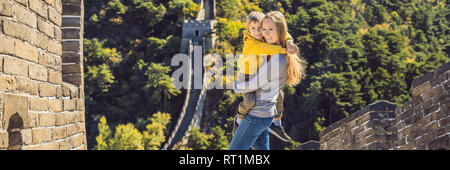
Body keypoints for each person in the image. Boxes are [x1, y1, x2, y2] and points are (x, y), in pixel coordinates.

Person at [229, 11, 307, 150]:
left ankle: (239, 119)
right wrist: (289, 43)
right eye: (263, 29)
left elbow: (255, 84)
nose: (265, 33)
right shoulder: (268, 47)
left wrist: (235, 87)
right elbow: (284, 36)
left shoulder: (277, 58)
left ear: (280, 30)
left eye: (271, 29)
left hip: (257, 115)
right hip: (264, 115)